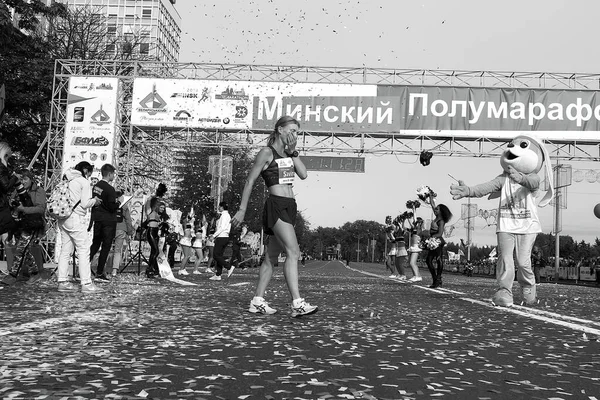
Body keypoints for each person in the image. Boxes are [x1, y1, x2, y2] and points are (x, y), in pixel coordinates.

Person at [232, 115, 318, 317]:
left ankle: (257, 300)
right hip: (276, 206)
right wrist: (242, 209)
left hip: (290, 206)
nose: (295, 134)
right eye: (292, 130)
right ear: (280, 130)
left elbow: (304, 174)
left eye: (297, 132)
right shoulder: (266, 152)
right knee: (293, 252)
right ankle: (297, 302)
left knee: (271, 257)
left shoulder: (288, 154)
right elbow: (249, 181)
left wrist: (293, 152)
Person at [56, 161, 103, 293]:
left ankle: (62, 281)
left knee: (65, 251)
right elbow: (85, 203)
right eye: (89, 173)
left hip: (63, 217)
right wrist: (95, 201)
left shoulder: (68, 179)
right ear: (85, 170)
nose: (89, 176)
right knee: (83, 250)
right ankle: (86, 283)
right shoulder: (83, 181)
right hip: (75, 217)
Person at [8, 169, 47, 284]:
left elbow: (40, 209)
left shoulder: (39, 191)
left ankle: (12, 274)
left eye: (25, 179)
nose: (23, 182)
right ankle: (35, 273)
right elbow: (12, 201)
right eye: (21, 179)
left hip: (33, 224)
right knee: (25, 250)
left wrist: (23, 209)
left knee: (21, 248)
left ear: (31, 179)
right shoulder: (18, 190)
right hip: (19, 223)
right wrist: (12, 203)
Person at [89, 164, 120, 282]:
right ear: (110, 174)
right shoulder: (110, 189)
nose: (114, 176)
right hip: (108, 220)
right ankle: (100, 272)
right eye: (113, 174)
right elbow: (112, 206)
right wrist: (118, 203)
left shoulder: (96, 186)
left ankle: (84, 268)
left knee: (95, 244)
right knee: (106, 246)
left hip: (98, 219)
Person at [425, 191, 452, 288]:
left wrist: (432, 238)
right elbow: (432, 204)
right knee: (428, 260)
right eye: (435, 209)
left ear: (440, 211)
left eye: (437, 209)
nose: (435, 210)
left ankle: (438, 279)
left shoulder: (441, 221)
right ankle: (435, 278)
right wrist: (430, 196)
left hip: (437, 241)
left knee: (438, 259)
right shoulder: (436, 217)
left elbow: (440, 233)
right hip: (432, 240)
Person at [110, 191, 134, 277]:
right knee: (117, 250)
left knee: (106, 248)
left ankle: (102, 268)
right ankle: (114, 270)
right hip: (121, 229)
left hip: (110, 228)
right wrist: (130, 232)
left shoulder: (110, 205)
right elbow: (128, 220)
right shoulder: (124, 206)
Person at [144, 199, 167, 278]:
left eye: (163, 208)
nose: (162, 209)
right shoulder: (151, 211)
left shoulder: (159, 215)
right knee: (156, 251)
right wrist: (151, 197)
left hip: (155, 232)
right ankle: (150, 269)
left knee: (154, 251)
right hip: (150, 231)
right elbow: (147, 204)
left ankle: (151, 270)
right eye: (161, 207)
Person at [210, 201, 231, 281]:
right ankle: (218, 274)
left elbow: (222, 227)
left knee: (215, 255)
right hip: (224, 237)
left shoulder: (224, 216)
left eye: (219, 207)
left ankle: (228, 266)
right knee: (219, 255)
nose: (218, 208)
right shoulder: (226, 215)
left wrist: (214, 235)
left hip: (222, 237)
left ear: (222, 207)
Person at [406, 217, 423, 283]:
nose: (414, 223)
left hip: (416, 248)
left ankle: (417, 276)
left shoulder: (419, 229)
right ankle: (416, 275)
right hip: (413, 247)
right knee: (411, 263)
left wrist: (414, 209)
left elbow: (413, 224)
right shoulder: (414, 230)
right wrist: (406, 219)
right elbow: (406, 227)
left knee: (412, 263)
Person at [177, 210, 194, 275]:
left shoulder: (188, 222)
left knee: (188, 256)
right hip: (185, 240)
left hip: (188, 240)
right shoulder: (184, 222)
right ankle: (181, 269)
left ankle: (183, 268)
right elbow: (185, 222)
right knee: (186, 256)